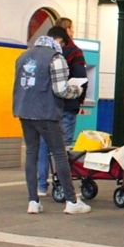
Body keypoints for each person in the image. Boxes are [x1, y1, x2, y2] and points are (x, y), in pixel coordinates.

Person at [13, 32, 90, 215]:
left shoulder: (22, 56)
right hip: (46, 112)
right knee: (59, 154)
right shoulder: (55, 58)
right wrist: (77, 91)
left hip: (24, 111)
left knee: (32, 153)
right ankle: (71, 201)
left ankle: (33, 201)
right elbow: (61, 89)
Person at [36, 22, 87, 195]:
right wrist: (78, 99)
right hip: (66, 105)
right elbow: (81, 78)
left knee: (43, 145)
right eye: (71, 28)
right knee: (62, 147)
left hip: (45, 107)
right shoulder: (74, 52)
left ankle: (42, 186)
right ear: (63, 35)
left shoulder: (40, 55)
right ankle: (61, 184)